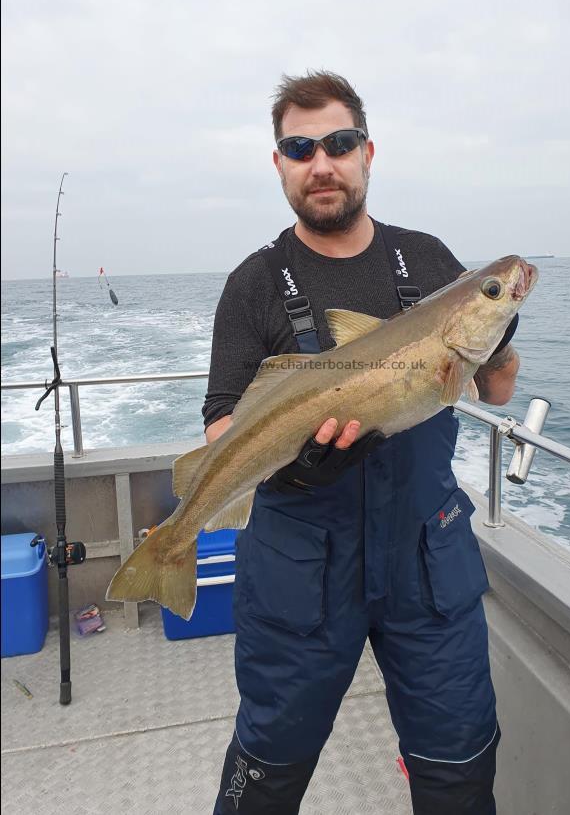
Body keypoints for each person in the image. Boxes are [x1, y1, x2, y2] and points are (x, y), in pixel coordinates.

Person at [204, 71, 520, 814]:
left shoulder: (430, 261)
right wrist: (294, 462)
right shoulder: (253, 284)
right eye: (300, 146)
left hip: (426, 560)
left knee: (459, 767)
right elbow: (220, 420)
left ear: (367, 152)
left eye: (339, 143)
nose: (323, 162)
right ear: (279, 163)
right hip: (298, 566)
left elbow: (495, 392)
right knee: (266, 771)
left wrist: (499, 339)